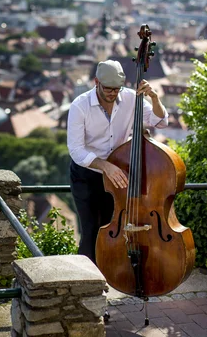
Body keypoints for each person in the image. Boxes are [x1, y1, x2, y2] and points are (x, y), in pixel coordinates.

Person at [67, 60, 169, 263]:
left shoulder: (131, 98)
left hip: (118, 174)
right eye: (108, 88)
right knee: (90, 229)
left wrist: (154, 98)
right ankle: (86, 279)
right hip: (87, 174)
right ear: (96, 82)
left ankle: (109, 273)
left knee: (111, 225)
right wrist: (105, 166)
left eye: (116, 89)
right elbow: (76, 150)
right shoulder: (80, 106)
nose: (113, 93)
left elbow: (161, 121)